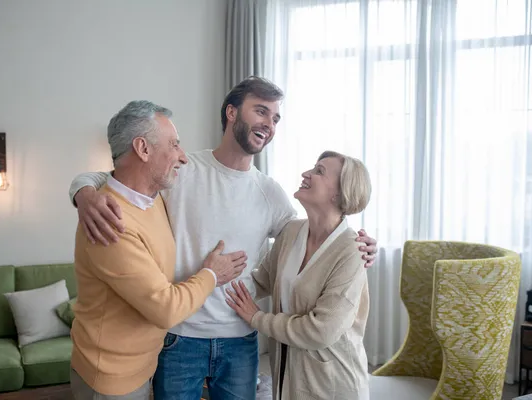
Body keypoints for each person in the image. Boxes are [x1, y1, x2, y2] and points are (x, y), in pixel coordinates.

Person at [68, 77, 378, 400]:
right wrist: (84, 191)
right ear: (231, 113)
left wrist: (363, 245)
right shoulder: (183, 171)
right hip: (179, 338)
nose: (269, 124)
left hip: (240, 341)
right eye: (260, 111)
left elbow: (316, 235)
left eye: (275, 118)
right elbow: (122, 179)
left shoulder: (271, 195)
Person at [69, 100, 248, 400]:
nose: (183, 156)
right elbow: (165, 309)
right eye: (174, 144)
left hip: (140, 370)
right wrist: (212, 274)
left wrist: (82, 189)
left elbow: (105, 176)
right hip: (110, 382)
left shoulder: (153, 198)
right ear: (142, 148)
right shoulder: (111, 223)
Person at [226, 151, 372, 400]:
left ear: (340, 192)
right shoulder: (291, 232)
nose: (307, 174)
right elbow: (262, 280)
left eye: (319, 171)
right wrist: (212, 279)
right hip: (288, 378)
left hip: (333, 383)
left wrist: (257, 318)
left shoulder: (352, 250)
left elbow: (321, 331)